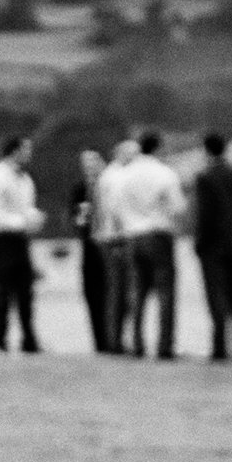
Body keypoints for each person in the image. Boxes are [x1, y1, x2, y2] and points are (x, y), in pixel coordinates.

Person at [116, 130, 184, 359]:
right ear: (158, 147)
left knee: (137, 292)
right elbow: (178, 207)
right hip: (158, 234)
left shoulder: (125, 175)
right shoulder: (164, 173)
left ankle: (137, 343)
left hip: (133, 235)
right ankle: (165, 344)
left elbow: (115, 207)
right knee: (166, 293)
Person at [191, 132, 232, 361]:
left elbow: (204, 216)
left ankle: (220, 346)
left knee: (216, 296)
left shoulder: (204, 177)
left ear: (206, 151)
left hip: (212, 246)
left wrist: (199, 243)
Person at [0, 135, 43, 353]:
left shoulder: (25, 179)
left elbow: (25, 207)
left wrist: (33, 218)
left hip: (20, 239)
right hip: (2, 240)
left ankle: (29, 340)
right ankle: (0, 340)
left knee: (26, 291)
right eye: (26, 149)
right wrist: (22, 222)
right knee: (4, 291)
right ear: (15, 151)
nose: (30, 154)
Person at [93, 138, 140, 353]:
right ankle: (115, 340)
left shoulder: (110, 175)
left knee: (119, 291)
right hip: (117, 239)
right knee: (120, 291)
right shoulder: (116, 176)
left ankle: (116, 339)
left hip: (112, 237)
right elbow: (113, 210)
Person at [68, 149, 112, 353]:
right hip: (89, 248)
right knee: (92, 294)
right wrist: (80, 218)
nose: (90, 168)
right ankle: (100, 341)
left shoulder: (110, 186)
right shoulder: (79, 189)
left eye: (93, 163)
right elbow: (73, 217)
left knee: (111, 293)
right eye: (85, 165)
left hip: (108, 246)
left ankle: (113, 337)